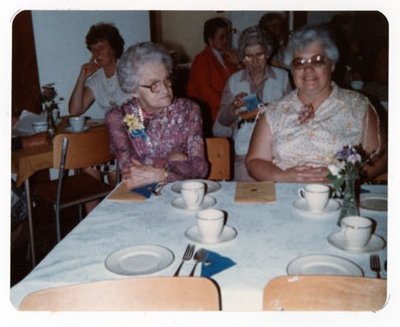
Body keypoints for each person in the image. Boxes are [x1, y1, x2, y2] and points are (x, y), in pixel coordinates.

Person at [246, 24, 387, 183]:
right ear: (291, 69)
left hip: (340, 197)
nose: (308, 69)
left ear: (332, 65)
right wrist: (282, 176)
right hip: (286, 197)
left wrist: (340, 176)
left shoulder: (358, 106)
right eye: (299, 63)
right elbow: (254, 161)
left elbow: (381, 156)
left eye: (317, 60)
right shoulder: (274, 111)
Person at [105, 42, 209, 189]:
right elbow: (129, 170)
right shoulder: (118, 117)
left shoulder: (189, 111)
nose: (165, 89)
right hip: (141, 191)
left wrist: (162, 174)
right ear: (133, 89)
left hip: (182, 191)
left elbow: (200, 167)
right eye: (154, 84)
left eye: (167, 80)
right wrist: (170, 161)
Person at [215, 26, 291, 181]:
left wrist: (271, 109)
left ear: (268, 54)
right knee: (244, 197)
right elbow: (222, 120)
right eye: (248, 56)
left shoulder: (283, 78)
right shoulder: (234, 81)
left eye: (259, 55)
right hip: (243, 153)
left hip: (275, 152)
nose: (254, 61)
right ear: (242, 57)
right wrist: (233, 107)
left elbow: (292, 115)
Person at [187, 17, 242, 135]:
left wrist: (238, 63)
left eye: (227, 36)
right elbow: (205, 91)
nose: (226, 40)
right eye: (222, 37)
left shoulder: (228, 57)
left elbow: (242, 80)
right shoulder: (202, 59)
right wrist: (228, 109)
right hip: (212, 113)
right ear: (210, 40)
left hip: (230, 108)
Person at [69, 22, 131, 116]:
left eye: (101, 48)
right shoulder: (97, 79)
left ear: (114, 47)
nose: (97, 53)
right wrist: (82, 77)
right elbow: (75, 111)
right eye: (93, 49)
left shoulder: (130, 70)